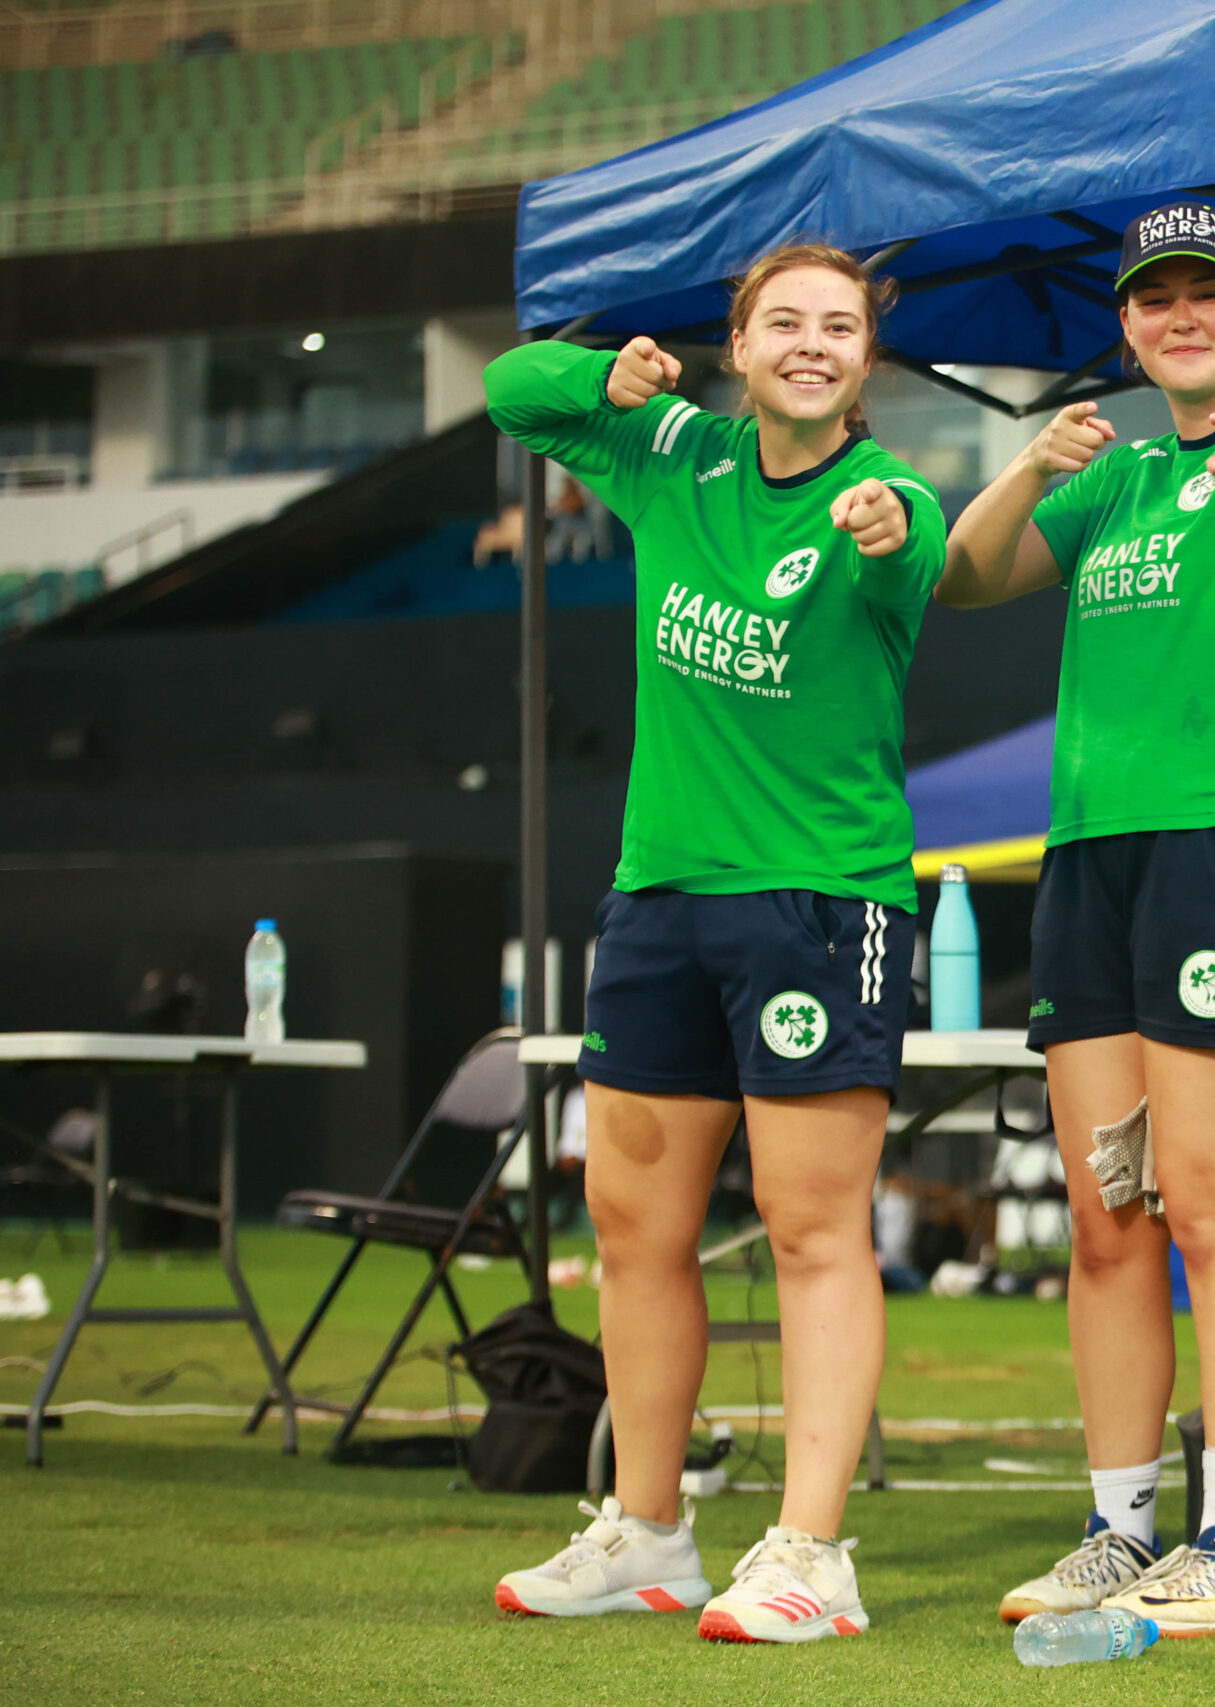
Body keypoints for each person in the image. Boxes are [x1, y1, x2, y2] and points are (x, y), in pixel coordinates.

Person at [482, 241, 947, 1644]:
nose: (812, 344)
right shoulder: (672, 454)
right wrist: (600, 370)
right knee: (633, 1229)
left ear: (867, 360)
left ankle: (811, 1550)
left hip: (819, 900)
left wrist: (884, 536)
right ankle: (652, 1532)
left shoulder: (895, 500)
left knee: (814, 1232)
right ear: (737, 347)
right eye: (784, 323)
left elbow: (909, 560)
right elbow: (512, 391)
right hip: (659, 896)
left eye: (840, 327)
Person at [939, 201, 1215, 1640]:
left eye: (1207, 296)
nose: (1181, 317)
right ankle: (1120, 1529)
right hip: (1091, 858)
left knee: (1213, 1209)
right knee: (1109, 1221)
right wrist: (1020, 472)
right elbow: (960, 577)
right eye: (1154, 300)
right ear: (1126, 325)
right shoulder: (1106, 477)